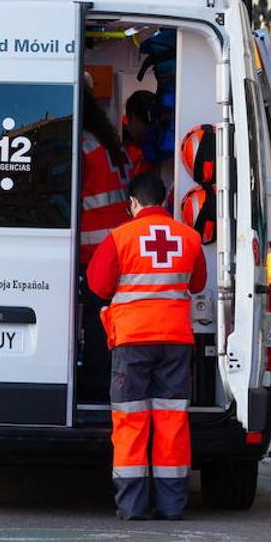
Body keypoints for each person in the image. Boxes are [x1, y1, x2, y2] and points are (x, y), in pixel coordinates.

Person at [86, 173, 206, 520]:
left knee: (131, 421)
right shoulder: (189, 237)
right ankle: (171, 506)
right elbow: (197, 283)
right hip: (175, 341)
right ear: (165, 200)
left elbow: (97, 284)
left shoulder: (120, 237)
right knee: (171, 422)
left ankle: (133, 506)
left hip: (133, 341)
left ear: (133, 203)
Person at [77, 88, 132, 402]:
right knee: (104, 318)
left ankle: (97, 381)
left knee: (96, 320)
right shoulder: (110, 145)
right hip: (118, 244)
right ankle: (105, 375)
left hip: (94, 246)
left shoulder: (81, 143)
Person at [122, 90, 156, 178]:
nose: (128, 128)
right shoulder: (162, 149)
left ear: (134, 118)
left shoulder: (147, 159)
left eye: (129, 121)